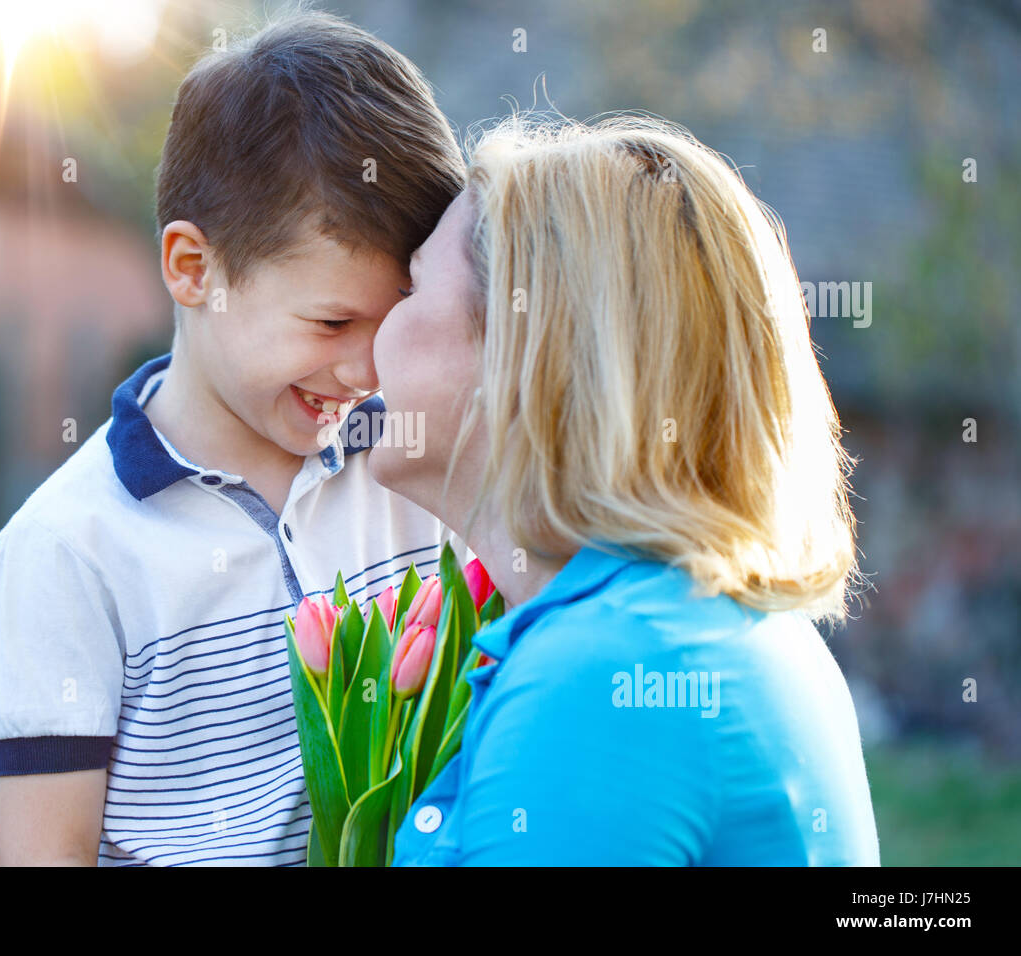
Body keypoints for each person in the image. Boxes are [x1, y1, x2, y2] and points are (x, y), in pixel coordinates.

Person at [0, 11, 467, 866]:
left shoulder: (416, 468)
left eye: (394, 322)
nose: (367, 372)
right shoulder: (68, 552)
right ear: (193, 269)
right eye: (332, 321)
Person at [371, 114, 881, 865]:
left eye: (411, 286)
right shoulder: (699, 628)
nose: (376, 326)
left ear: (520, 349)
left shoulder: (604, 679)